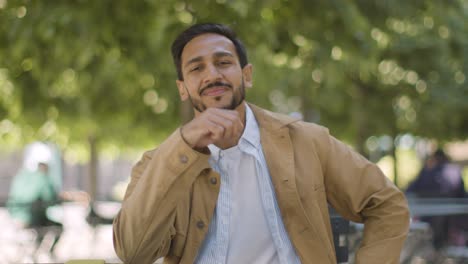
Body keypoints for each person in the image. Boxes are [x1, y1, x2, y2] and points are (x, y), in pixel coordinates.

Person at [113, 23, 410, 264]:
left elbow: (387, 204)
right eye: (196, 68)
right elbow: (132, 252)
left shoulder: (307, 142)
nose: (212, 74)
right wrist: (184, 147)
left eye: (223, 62)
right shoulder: (158, 164)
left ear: (247, 75)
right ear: (182, 88)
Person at [7, 142, 63, 255]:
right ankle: (43, 252)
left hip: (15, 217)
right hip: (32, 219)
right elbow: (50, 198)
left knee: (42, 226)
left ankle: (36, 252)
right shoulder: (42, 178)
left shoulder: (21, 176)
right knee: (57, 227)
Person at [407, 149, 467, 249]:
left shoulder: (426, 173)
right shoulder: (455, 172)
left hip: (427, 221)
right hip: (452, 223)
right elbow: (463, 195)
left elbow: (410, 191)